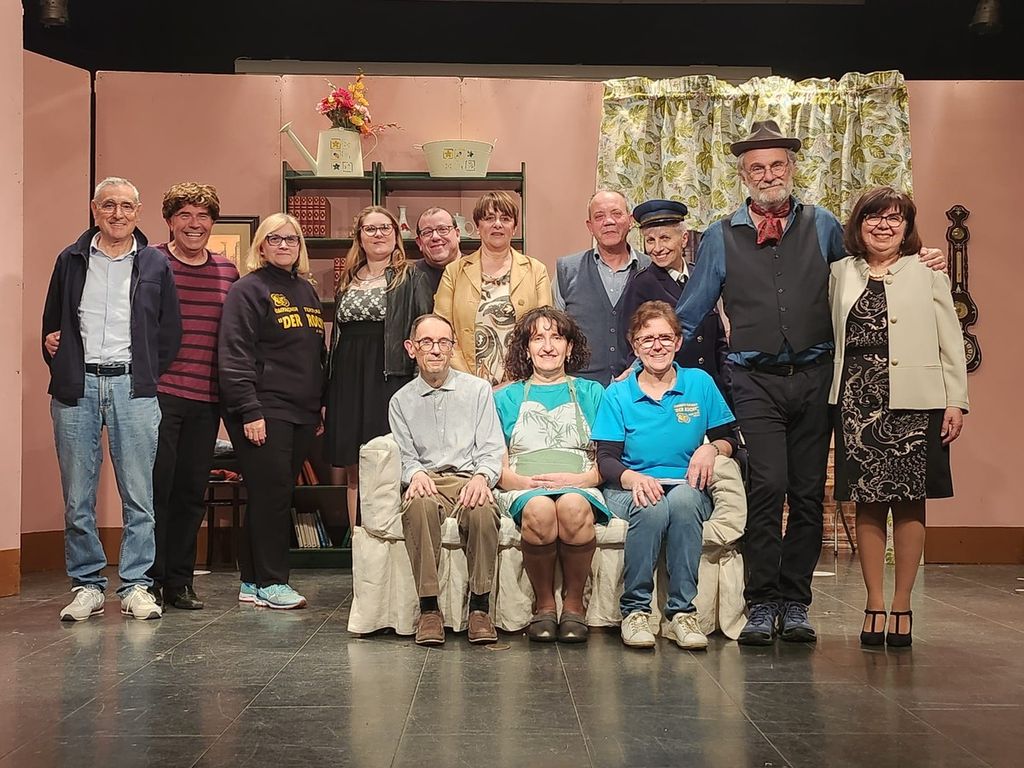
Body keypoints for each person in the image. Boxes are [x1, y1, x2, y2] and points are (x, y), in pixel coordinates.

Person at [675, 120, 947, 645]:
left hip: (817, 376)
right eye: (757, 168)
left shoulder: (822, 225)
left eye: (777, 164)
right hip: (754, 379)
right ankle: (761, 602)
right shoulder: (719, 236)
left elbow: (871, 273)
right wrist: (646, 357)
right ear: (743, 176)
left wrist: (921, 260)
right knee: (766, 486)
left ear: (792, 168)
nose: (768, 174)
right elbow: (692, 309)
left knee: (806, 493)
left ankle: (795, 602)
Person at [830, 187, 968, 648]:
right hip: (856, 401)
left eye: (894, 218)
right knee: (867, 502)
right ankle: (873, 603)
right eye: (874, 217)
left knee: (910, 502)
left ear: (907, 227)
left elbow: (951, 341)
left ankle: (903, 603)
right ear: (859, 224)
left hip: (916, 402)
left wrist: (956, 400)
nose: (883, 226)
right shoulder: (840, 272)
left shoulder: (928, 272)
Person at [42, 176, 182, 622]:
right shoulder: (71, 259)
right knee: (77, 496)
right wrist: (56, 350)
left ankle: (137, 585)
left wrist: (146, 371)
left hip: (133, 388)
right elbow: (52, 324)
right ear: (94, 208)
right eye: (108, 205)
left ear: (138, 212)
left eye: (126, 206)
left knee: (139, 496)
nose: (117, 214)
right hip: (77, 387)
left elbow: (171, 332)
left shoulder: (155, 263)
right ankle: (87, 585)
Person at [592, 301, 739, 650]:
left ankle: (681, 614)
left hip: (687, 484)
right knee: (652, 505)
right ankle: (635, 611)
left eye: (664, 338)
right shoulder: (618, 393)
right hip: (630, 487)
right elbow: (606, 459)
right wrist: (634, 479)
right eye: (647, 339)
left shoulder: (699, 383)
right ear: (634, 346)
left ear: (678, 341)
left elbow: (729, 439)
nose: (656, 346)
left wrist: (712, 450)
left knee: (685, 501)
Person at [219, 213, 326, 610]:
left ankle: (251, 580)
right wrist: (249, 410)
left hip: (302, 410)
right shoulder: (247, 290)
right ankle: (273, 581)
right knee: (273, 495)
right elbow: (234, 354)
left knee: (271, 494)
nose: (284, 245)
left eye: (291, 239)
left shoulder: (306, 291)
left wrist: (319, 403)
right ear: (261, 247)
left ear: (300, 246)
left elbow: (315, 354)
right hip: (263, 408)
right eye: (274, 238)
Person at [148, 182, 238, 611]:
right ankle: (149, 579)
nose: (194, 223)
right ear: (169, 221)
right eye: (184, 214)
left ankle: (180, 582)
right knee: (155, 490)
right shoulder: (151, 262)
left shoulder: (227, 271)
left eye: (203, 215)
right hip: (158, 394)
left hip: (206, 398)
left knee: (190, 492)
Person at [388, 313, 504, 646]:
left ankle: (479, 608)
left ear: (453, 347)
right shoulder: (400, 401)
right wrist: (415, 474)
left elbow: (491, 448)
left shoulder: (478, 390)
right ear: (411, 348)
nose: (436, 350)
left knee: (483, 510)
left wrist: (482, 477)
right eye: (427, 342)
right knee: (418, 506)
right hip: (429, 481)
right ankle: (429, 610)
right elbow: (405, 455)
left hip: (468, 478)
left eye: (443, 342)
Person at [494, 308, 608, 643]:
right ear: (526, 349)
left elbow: (608, 459)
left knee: (572, 507)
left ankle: (573, 605)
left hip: (580, 482)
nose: (548, 346)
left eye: (556, 338)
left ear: (569, 348)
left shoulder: (591, 392)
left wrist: (579, 481)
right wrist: (523, 483)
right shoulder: (506, 397)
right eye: (538, 339)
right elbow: (497, 465)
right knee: (540, 509)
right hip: (523, 485)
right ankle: (544, 605)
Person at [324, 205, 433, 528]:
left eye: (385, 228)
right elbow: (337, 335)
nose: (378, 234)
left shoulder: (411, 276)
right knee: (353, 465)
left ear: (396, 235)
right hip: (347, 379)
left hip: (389, 376)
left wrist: (421, 384)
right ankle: (359, 539)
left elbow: (423, 329)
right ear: (359, 237)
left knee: (389, 459)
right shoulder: (348, 277)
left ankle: (392, 535)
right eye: (370, 229)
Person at [435, 191, 551, 386]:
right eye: (489, 218)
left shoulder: (536, 270)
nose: (497, 224)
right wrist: (473, 383)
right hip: (466, 382)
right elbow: (441, 333)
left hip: (522, 383)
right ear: (478, 226)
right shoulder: (454, 272)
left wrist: (515, 382)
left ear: (514, 228)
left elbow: (544, 332)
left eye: (505, 219)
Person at [620, 199, 731, 401]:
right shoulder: (641, 284)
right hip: (670, 390)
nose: (657, 248)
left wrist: (728, 386)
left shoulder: (701, 275)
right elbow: (631, 344)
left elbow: (718, 341)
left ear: (684, 238)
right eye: (650, 240)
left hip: (710, 388)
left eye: (665, 238)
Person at [555, 190, 648, 385]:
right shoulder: (567, 270)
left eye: (616, 214)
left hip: (639, 386)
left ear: (630, 220)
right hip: (581, 388)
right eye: (599, 216)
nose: (609, 222)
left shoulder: (649, 269)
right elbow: (555, 334)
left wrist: (636, 368)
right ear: (590, 226)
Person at [414, 206, 461, 294]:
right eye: (427, 232)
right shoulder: (409, 277)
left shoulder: (477, 270)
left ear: (457, 234)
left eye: (443, 229)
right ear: (419, 243)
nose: (435, 237)